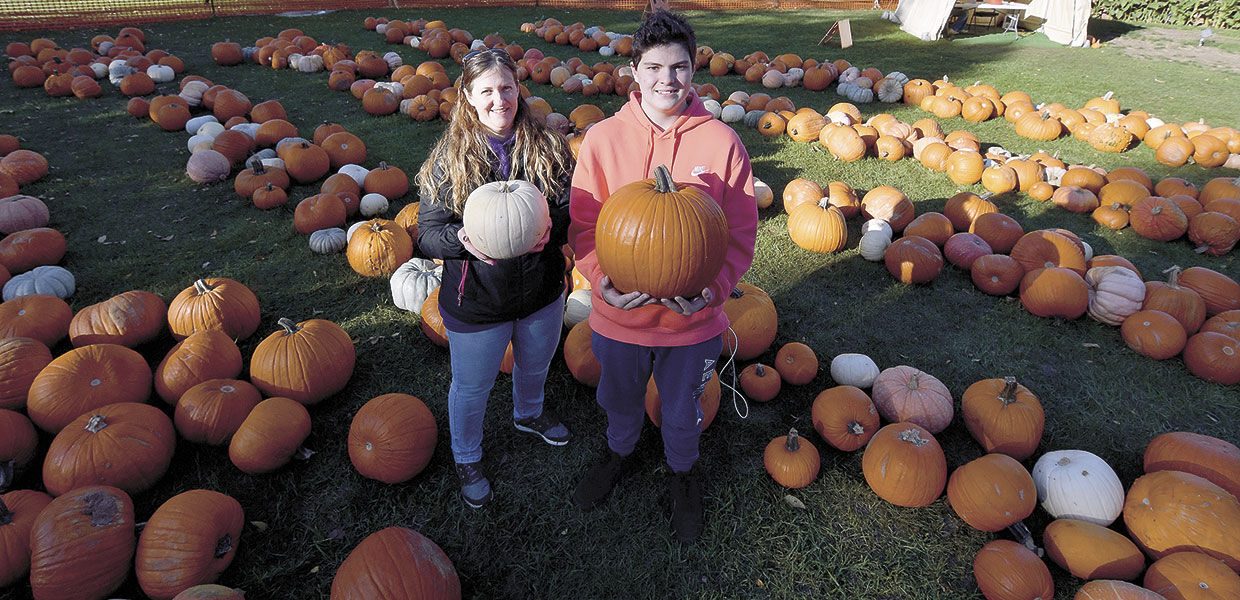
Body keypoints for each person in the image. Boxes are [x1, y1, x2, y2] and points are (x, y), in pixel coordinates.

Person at [567, 9, 757, 543]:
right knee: (618, 396)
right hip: (618, 316)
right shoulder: (604, 140)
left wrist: (714, 292)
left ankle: (682, 471)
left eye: (678, 67)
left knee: (682, 406)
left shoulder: (720, 143)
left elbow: (740, 233)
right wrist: (600, 279)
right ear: (634, 70)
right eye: (654, 67)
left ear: (694, 71)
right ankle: (619, 451)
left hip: (691, 321)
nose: (666, 80)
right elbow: (584, 224)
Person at [416, 47, 575, 509]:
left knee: (535, 364)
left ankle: (529, 414)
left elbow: (569, 210)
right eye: (486, 91)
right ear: (467, 95)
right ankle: (467, 455)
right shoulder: (449, 158)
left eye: (506, 88)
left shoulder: (546, 143)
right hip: (477, 299)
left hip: (542, 289)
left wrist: (552, 230)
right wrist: (463, 240)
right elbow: (428, 234)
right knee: (472, 386)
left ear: (518, 88)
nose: (498, 99)